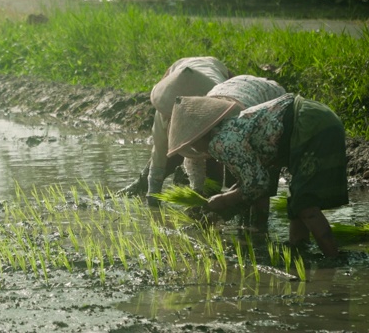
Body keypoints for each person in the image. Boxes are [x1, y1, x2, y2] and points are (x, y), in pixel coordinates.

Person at [166, 93, 348, 257]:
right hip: (317, 115)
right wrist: (224, 204)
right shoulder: (231, 126)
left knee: (305, 204)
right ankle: (299, 249)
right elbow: (252, 178)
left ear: (199, 136)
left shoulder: (220, 144)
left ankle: (334, 259)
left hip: (309, 125)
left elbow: (258, 184)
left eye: (191, 143)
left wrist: (223, 200)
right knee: (297, 200)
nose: (193, 148)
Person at [118, 56, 233, 206]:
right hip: (180, 69)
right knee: (171, 153)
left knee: (214, 160)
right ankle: (141, 183)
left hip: (212, 73)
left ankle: (215, 203)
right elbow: (159, 153)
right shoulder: (164, 114)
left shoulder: (217, 106)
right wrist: (153, 196)